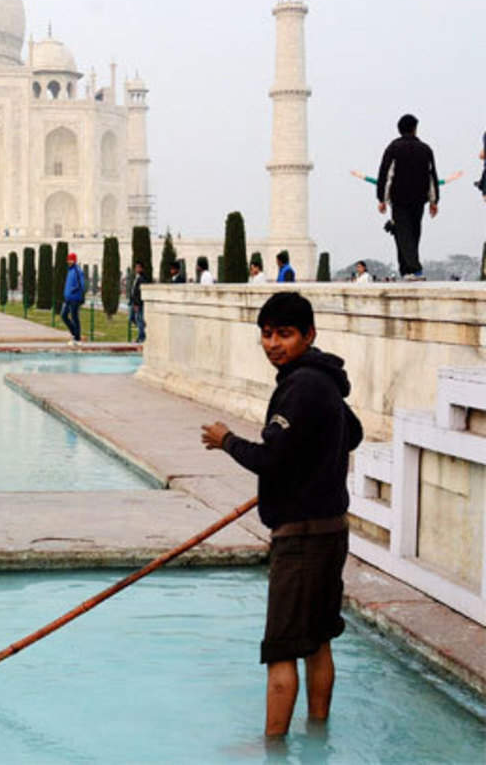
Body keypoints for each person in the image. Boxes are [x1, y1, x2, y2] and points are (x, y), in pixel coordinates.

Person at [200, 291, 362, 737]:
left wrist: (225, 439)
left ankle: (272, 747)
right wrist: (312, 462)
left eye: (285, 335)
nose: (273, 344)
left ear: (309, 335)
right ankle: (317, 731)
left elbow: (270, 458)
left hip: (302, 537)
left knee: (282, 648)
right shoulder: (325, 379)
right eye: (267, 335)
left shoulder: (300, 385)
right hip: (331, 529)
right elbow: (354, 433)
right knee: (318, 639)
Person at [376, 113, 439, 280]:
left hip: (399, 198)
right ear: (415, 129)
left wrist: (382, 199)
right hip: (419, 198)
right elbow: (432, 176)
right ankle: (409, 269)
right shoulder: (425, 149)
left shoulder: (394, 148)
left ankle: (410, 269)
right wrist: (434, 201)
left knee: (403, 232)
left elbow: (386, 175)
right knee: (414, 232)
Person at [61, 252, 86, 345]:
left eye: (70, 260)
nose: (69, 261)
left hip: (75, 298)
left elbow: (82, 285)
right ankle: (75, 334)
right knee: (64, 315)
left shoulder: (77, 270)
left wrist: (74, 291)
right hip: (68, 298)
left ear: (74, 260)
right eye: (68, 260)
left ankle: (77, 338)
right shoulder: (70, 270)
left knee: (75, 317)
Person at [128, 261, 146, 343]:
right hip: (133, 302)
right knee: (132, 318)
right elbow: (133, 291)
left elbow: (139, 293)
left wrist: (137, 304)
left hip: (137, 303)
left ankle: (141, 336)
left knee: (139, 319)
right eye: (136, 267)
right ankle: (142, 329)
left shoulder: (142, 279)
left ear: (142, 268)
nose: (137, 269)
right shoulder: (136, 278)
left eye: (138, 267)